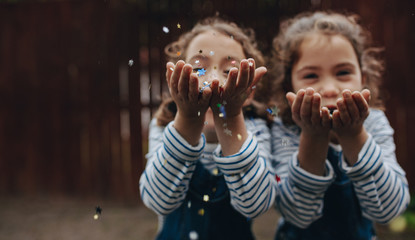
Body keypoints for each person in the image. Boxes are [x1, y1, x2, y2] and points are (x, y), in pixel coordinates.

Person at [268, 11, 410, 240]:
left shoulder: (373, 123)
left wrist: (354, 136)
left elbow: (389, 210)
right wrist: (312, 137)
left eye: (343, 73)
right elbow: (296, 214)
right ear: (290, 84)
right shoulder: (284, 130)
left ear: (362, 78)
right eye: (311, 76)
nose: (330, 88)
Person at [139, 16, 276, 240]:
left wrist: (230, 117)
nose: (214, 81)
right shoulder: (164, 125)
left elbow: (256, 205)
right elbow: (157, 200)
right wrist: (188, 119)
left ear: (250, 90)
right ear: (177, 80)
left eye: (229, 72)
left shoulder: (257, 129)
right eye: (199, 69)